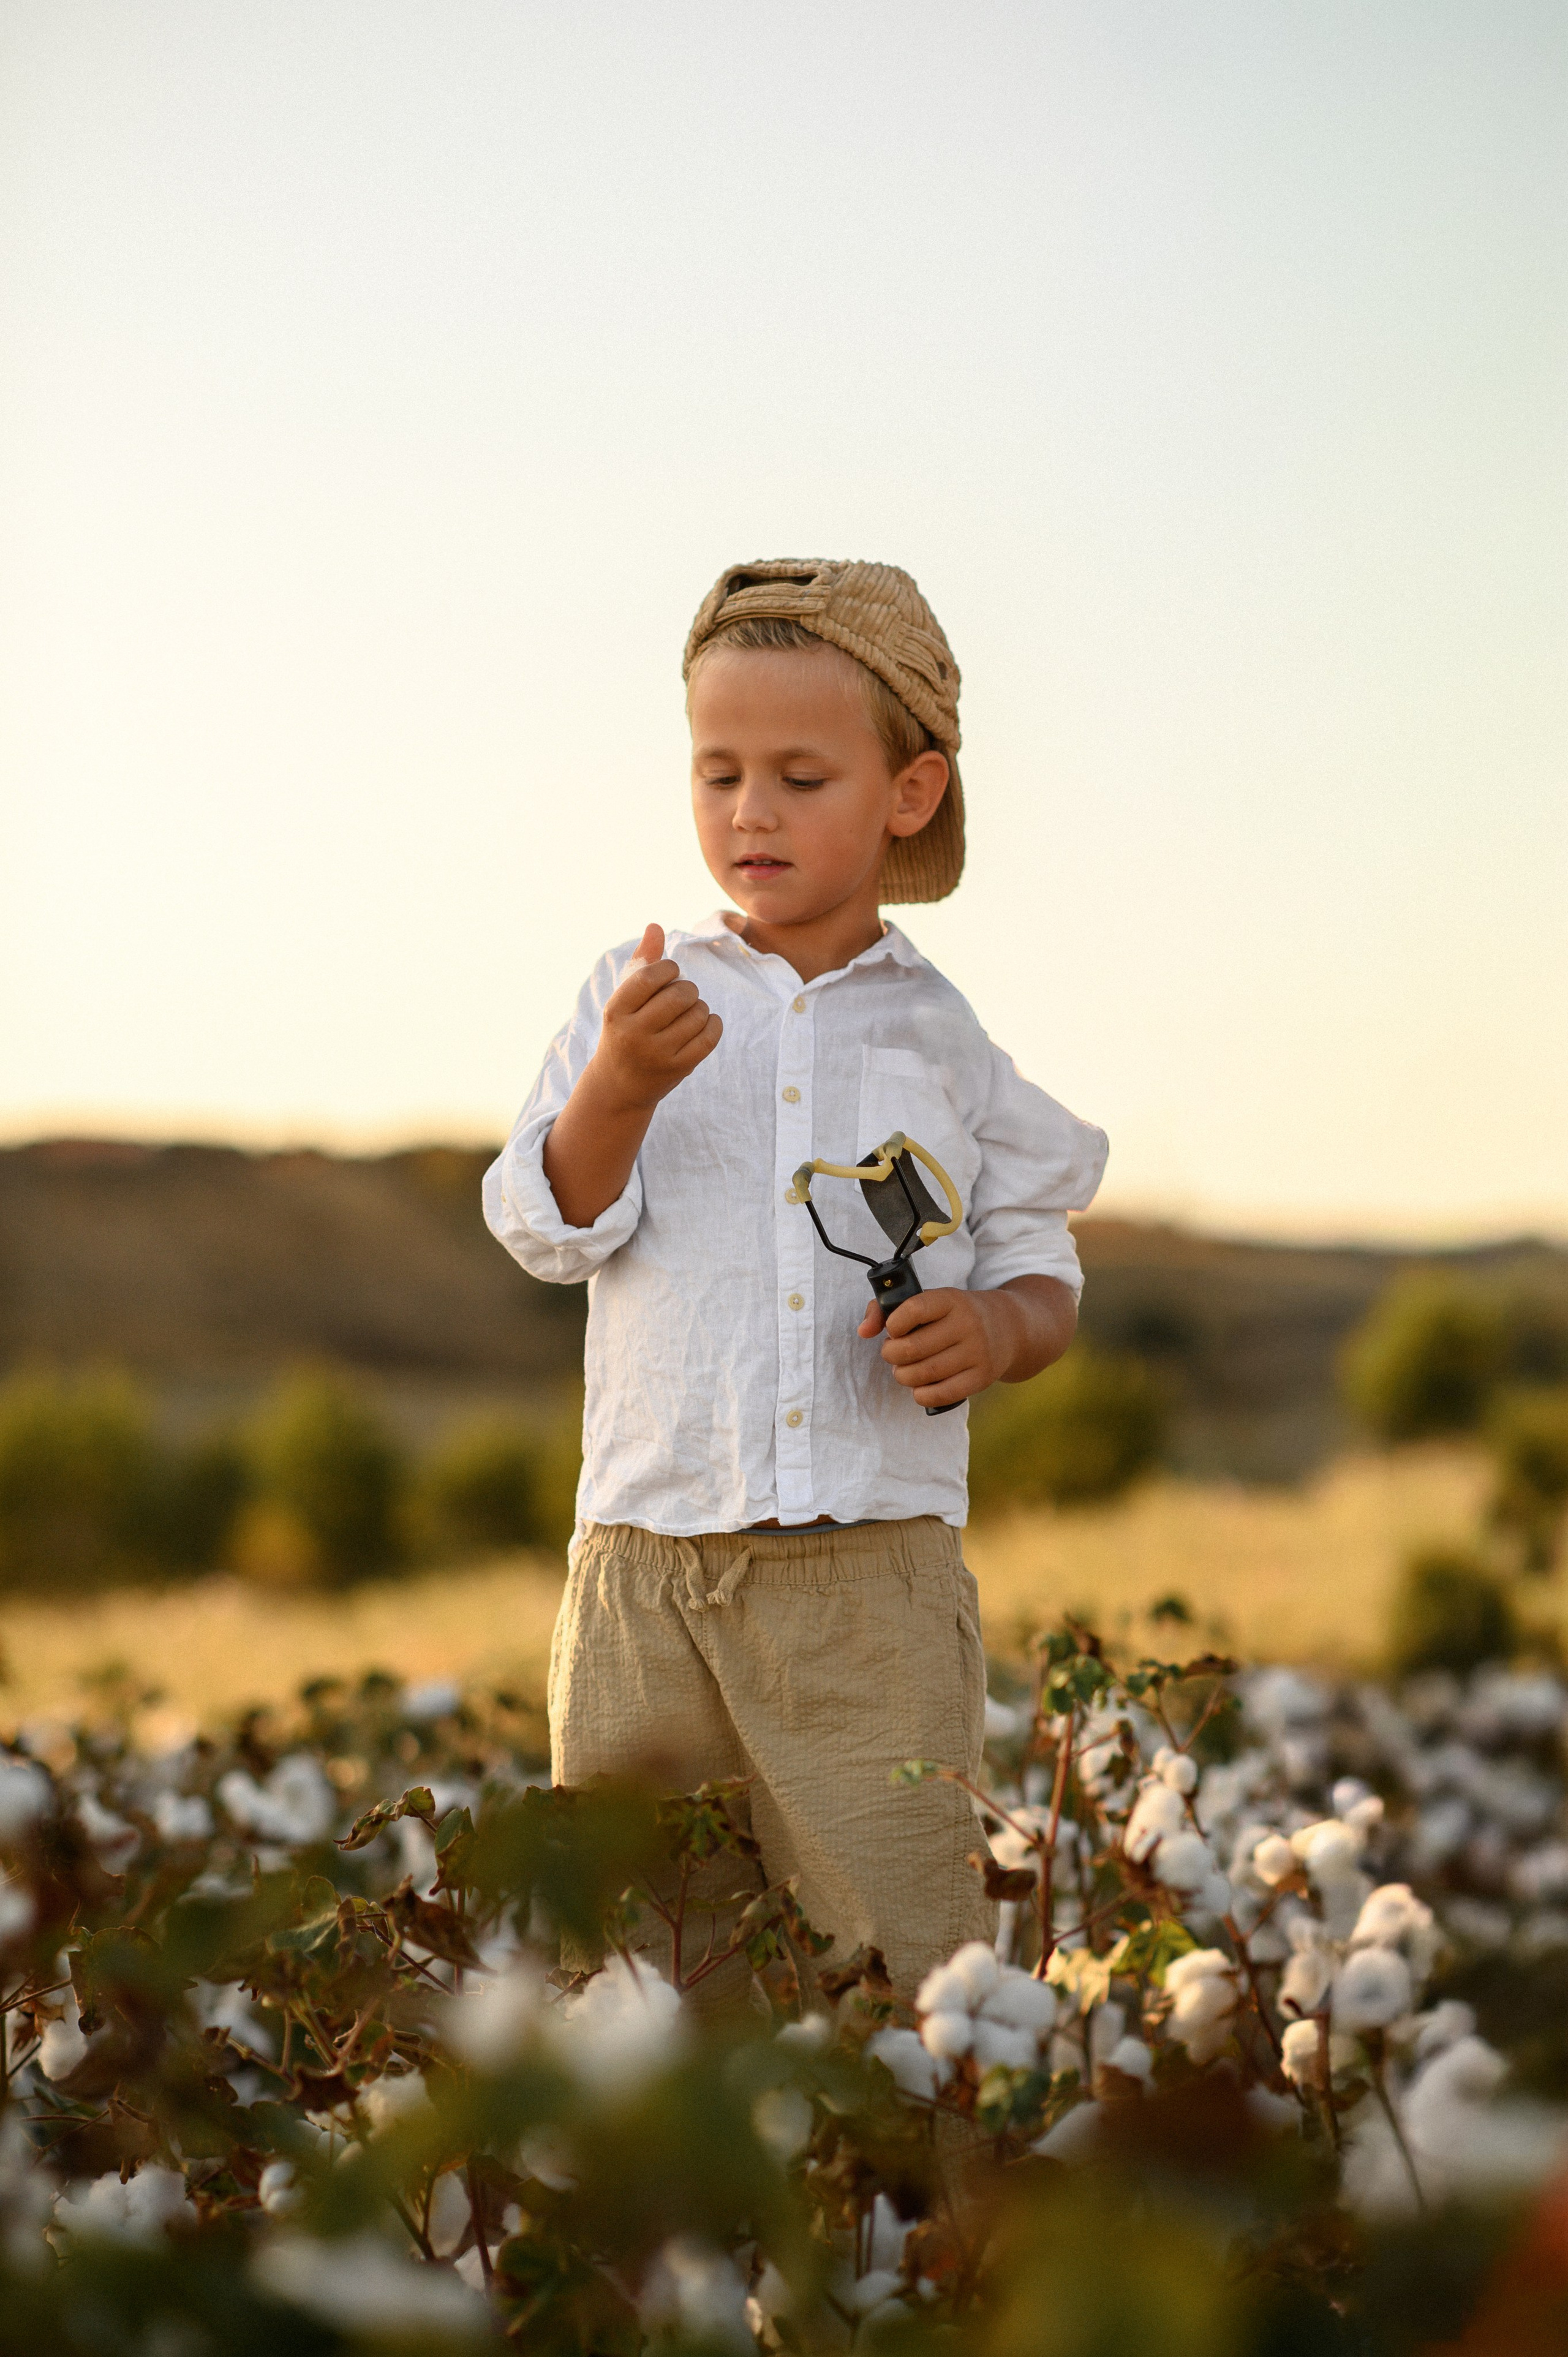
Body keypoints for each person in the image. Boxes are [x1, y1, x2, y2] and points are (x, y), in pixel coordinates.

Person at [484, 559, 1107, 1996]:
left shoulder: (938, 1038)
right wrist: (619, 1092)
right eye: (718, 772)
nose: (748, 811)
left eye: (799, 775)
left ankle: (918, 2226)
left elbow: (1037, 1257)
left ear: (908, 793)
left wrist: (998, 1331)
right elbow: (544, 1221)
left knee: (900, 1962)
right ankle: (688, 2229)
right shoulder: (637, 995)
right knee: (642, 1977)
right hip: (644, 1569)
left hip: (867, 1577)